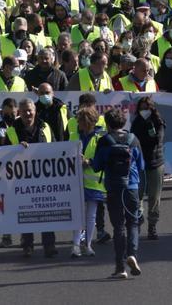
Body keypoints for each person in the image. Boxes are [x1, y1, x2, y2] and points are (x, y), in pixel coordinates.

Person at [90, 107, 145, 279]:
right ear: (123, 122)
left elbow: (97, 165)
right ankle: (132, 254)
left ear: (107, 123)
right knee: (133, 223)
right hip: (132, 187)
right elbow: (141, 165)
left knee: (118, 226)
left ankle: (120, 267)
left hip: (114, 187)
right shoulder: (133, 139)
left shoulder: (105, 141)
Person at [5, 98, 57, 257]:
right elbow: (4, 155)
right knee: (26, 212)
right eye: (24, 110)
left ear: (35, 111)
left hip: (44, 178)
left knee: (46, 212)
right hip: (21, 179)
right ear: (19, 112)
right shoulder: (12, 131)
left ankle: (49, 245)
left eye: (30, 110)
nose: (28, 113)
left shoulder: (45, 127)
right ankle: (27, 245)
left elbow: (55, 146)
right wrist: (16, 149)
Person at [71, 106, 106, 258]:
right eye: (80, 121)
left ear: (91, 122)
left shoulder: (100, 138)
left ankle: (88, 245)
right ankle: (76, 245)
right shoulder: (73, 136)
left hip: (93, 182)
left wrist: (89, 162)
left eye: (83, 121)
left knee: (91, 216)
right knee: (78, 214)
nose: (81, 124)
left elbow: (102, 157)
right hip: (75, 181)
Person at [130, 96, 165, 239]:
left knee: (154, 197)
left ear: (152, 109)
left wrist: (150, 126)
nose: (144, 110)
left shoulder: (158, 122)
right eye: (142, 108)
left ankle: (152, 225)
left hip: (155, 163)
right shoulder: (136, 122)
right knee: (137, 196)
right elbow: (134, 140)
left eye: (147, 108)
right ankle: (137, 221)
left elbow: (157, 140)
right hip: (140, 165)